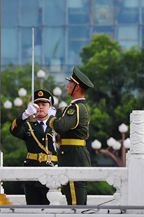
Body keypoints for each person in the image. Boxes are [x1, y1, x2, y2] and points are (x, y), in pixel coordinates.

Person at [51, 66, 93, 205]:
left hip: (74, 157)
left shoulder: (76, 109)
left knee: (76, 204)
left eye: (70, 83)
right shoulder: (76, 108)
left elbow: (61, 127)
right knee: (73, 201)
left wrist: (49, 117)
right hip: (72, 156)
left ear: (77, 88)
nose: (67, 85)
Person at [10, 88, 58, 205]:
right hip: (32, 172)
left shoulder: (57, 126)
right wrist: (25, 114)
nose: (40, 107)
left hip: (52, 171)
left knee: (51, 209)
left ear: (50, 107)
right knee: (33, 208)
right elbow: (13, 130)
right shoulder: (28, 126)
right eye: (37, 104)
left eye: (44, 104)